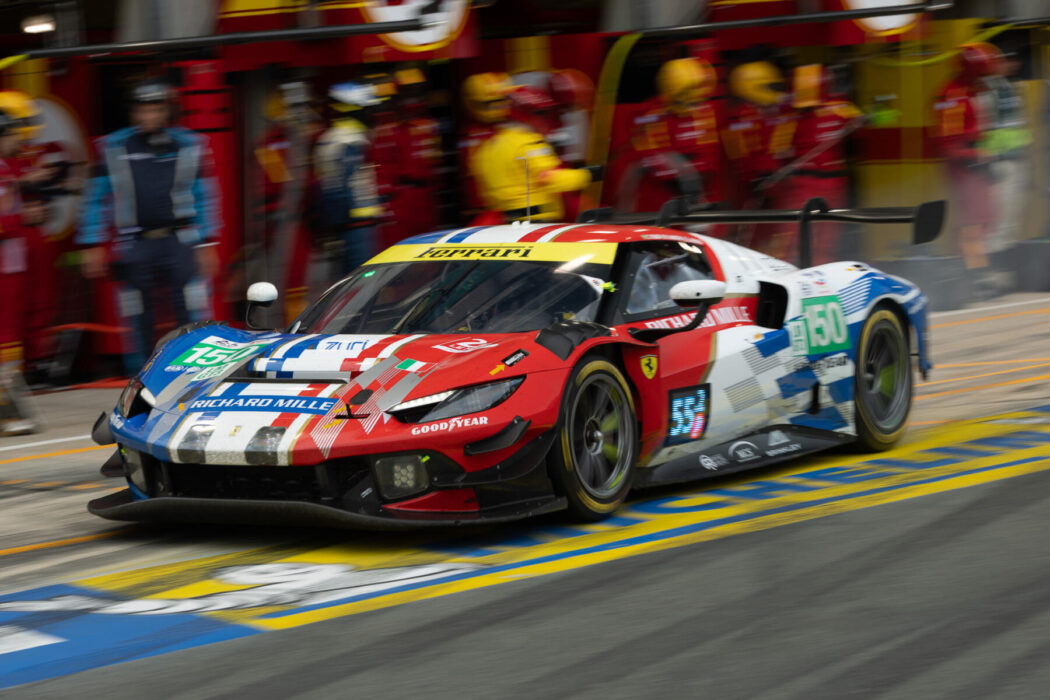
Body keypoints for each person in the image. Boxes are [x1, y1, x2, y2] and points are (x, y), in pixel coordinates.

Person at [78, 80, 220, 373]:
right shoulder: (112, 147)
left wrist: (208, 242)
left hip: (180, 240)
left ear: (166, 111)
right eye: (142, 110)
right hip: (134, 244)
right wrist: (91, 242)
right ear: (132, 112)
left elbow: (204, 194)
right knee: (137, 315)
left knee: (191, 310)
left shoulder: (190, 145)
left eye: (155, 109)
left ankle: (195, 374)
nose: (148, 116)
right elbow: (95, 197)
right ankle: (141, 376)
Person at [769, 64, 863, 264]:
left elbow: (861, 126)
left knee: (828, 233)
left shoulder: (840, 107)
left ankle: (822, 267)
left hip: (832, 181)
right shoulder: (790, 115)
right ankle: (793, 267)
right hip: (804, 181)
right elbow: (778, 151)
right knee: (796, 231)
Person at [472, 84, 593, 223]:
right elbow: (549, 179)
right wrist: (588, 174)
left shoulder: (488, 147)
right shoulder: (529, 143)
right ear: (524, 114)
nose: (546, 119)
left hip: (506, 223)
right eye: (541, 113)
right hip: (537, 221)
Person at [932, 42, 1002, 281]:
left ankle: (976, 269)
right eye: (982, 73)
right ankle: (974, 274)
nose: (985, 79)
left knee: (985, 217)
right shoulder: (951, 96)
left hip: (976, 163)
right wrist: (975, 157)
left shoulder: (971, 91)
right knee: (972, 221)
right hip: (964, 167)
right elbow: (949, 143)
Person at [622, 57, 722, 214]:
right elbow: (639, 166)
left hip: (698, 200)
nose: (696, 103)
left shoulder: (705, 112)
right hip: (659, 203)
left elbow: (708, 159)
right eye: (688, 96)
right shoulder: (649, 117)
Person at [314, 80, 386, 277]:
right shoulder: (351, 140)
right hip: (356, 226)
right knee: (364, 279)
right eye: (368, 109)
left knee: (349, 282)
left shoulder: (328, 139)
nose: (372, 115)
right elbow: (342, 187)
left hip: (344, 225)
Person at [722, 60, 795, 249]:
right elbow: (742, 161)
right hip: (752, 193)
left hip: (776, 189)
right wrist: (762, 178)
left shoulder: (772, 113)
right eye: (770, 86)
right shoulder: (738, 118)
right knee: (751, 241)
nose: (775, 91)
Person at [458, 72, 512, 220]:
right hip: (484, 207)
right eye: (490, 103)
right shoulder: (471, 136)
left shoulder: (511, 129)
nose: (497, 108)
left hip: (508, 204)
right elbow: (471, 173)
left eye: (501, 101)